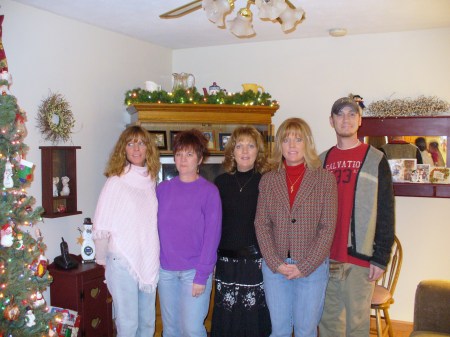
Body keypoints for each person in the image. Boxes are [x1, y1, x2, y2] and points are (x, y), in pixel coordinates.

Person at [319, 97, 395, 337]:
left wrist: (381, 257)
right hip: (326, 258)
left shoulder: (376, 158)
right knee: (329, 324)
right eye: (340, 114)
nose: (346, 119)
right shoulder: (320, 161)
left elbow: (386, 209)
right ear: (331, 121)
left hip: (361, 259)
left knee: (358, 327)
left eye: (352, 114)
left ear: (360, 120)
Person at [255, 118, 338, 337]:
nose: (292, 145)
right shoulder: (268, 180)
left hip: (312, 268)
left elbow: (327, 227)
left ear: (307, 143)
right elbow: (261, 225)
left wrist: (305, 266)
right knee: (279, 330)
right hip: (276, 268)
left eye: (298, 139)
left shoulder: (325, 180)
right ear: (279, 145)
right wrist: (275, 263)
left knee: (305, 330)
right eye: (286, 139)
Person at [92, 125, 160, 337]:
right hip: (121, 261)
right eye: (130, 143)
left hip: (147, 260)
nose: (136, 148)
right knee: (128, 324)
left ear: (148, 148)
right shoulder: (116, 181)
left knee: (147, 324)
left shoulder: (151, 181)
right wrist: (103, 262)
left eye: (141, 143)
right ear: (124, 149)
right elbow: (101, 225)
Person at [157, 129, 222, 337]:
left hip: (194, 272)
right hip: (165, 272)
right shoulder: (162, 190)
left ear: (200, 159)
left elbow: (212, 237)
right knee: (171, 330)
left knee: (192, 329)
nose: (183, 159)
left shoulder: (209, 192)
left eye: (189, 154)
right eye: (179, 154)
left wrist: (202, 275)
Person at [211, 126, 271, 337]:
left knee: (253, 319)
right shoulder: (220, 183)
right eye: (239, 146)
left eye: (251, 145)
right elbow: (215, 225)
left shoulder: (267, 181)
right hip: (226, 263)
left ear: (258, 151)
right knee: (227, 319)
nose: (245, 151)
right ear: (232, 152)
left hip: (256, 263)